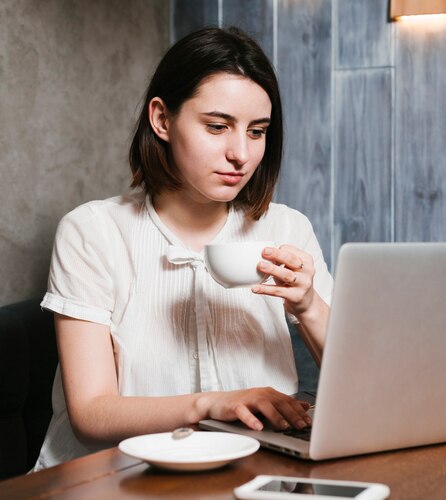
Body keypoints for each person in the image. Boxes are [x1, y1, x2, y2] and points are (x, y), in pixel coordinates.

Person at [33, 26, 332, 471]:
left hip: (253, 467)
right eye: (217, 126)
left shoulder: (287, 227)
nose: (241, 154)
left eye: (257, 131)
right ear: (162, 120)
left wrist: (308, 304)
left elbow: (362, 384)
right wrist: (212, 404)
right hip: (114, 475)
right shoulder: (93, 231)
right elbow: (91, 414)